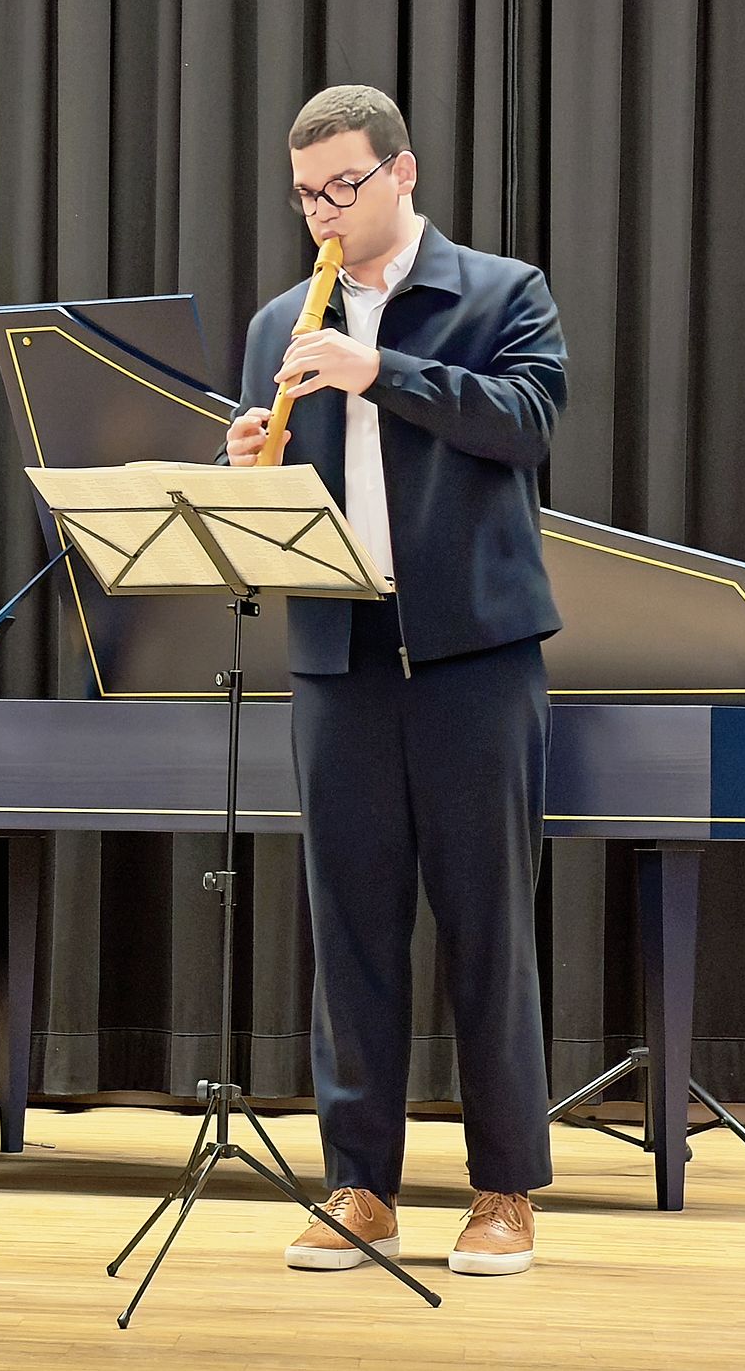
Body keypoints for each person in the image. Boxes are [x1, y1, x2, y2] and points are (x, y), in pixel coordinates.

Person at [223, 86, 566, 1276]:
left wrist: (378, 369)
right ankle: (359, 1186)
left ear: (402, 171)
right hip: (339, 656)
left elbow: (527, 421)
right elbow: (275, 511)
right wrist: (249, 465)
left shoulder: (497, 292)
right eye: (305, 191)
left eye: (342, 187)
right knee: (351, 930)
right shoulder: (281, 321)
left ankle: (505, 1187)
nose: (320, 210)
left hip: (475, 656)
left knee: (488, 925)